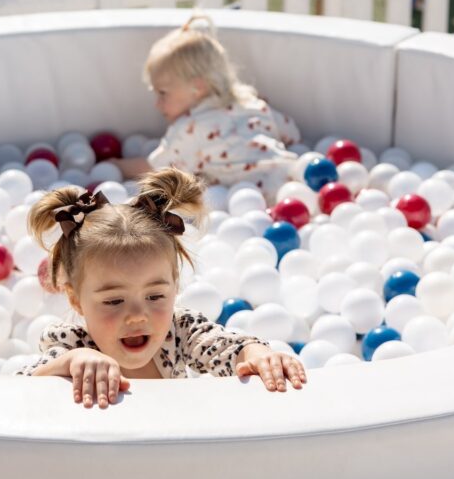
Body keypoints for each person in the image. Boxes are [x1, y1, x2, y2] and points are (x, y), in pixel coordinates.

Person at [20, 167, 306, 408]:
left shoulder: (178, 331)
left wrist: (254, 353)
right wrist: (71, 362)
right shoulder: (72, 343)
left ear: (175, 286)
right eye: (114, 301)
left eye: (155, 295)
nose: (137, 315)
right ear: (76, 300)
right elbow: (19, 385)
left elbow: (222, 347)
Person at [116, 16, 301, 202]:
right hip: (296, 178)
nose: (157, 104)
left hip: (261, 198)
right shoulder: (252, 105)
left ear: (197, 88)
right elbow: (292, 133)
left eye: (163, 93)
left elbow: (154, 169)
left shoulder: (190, 129)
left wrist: (116, 166)